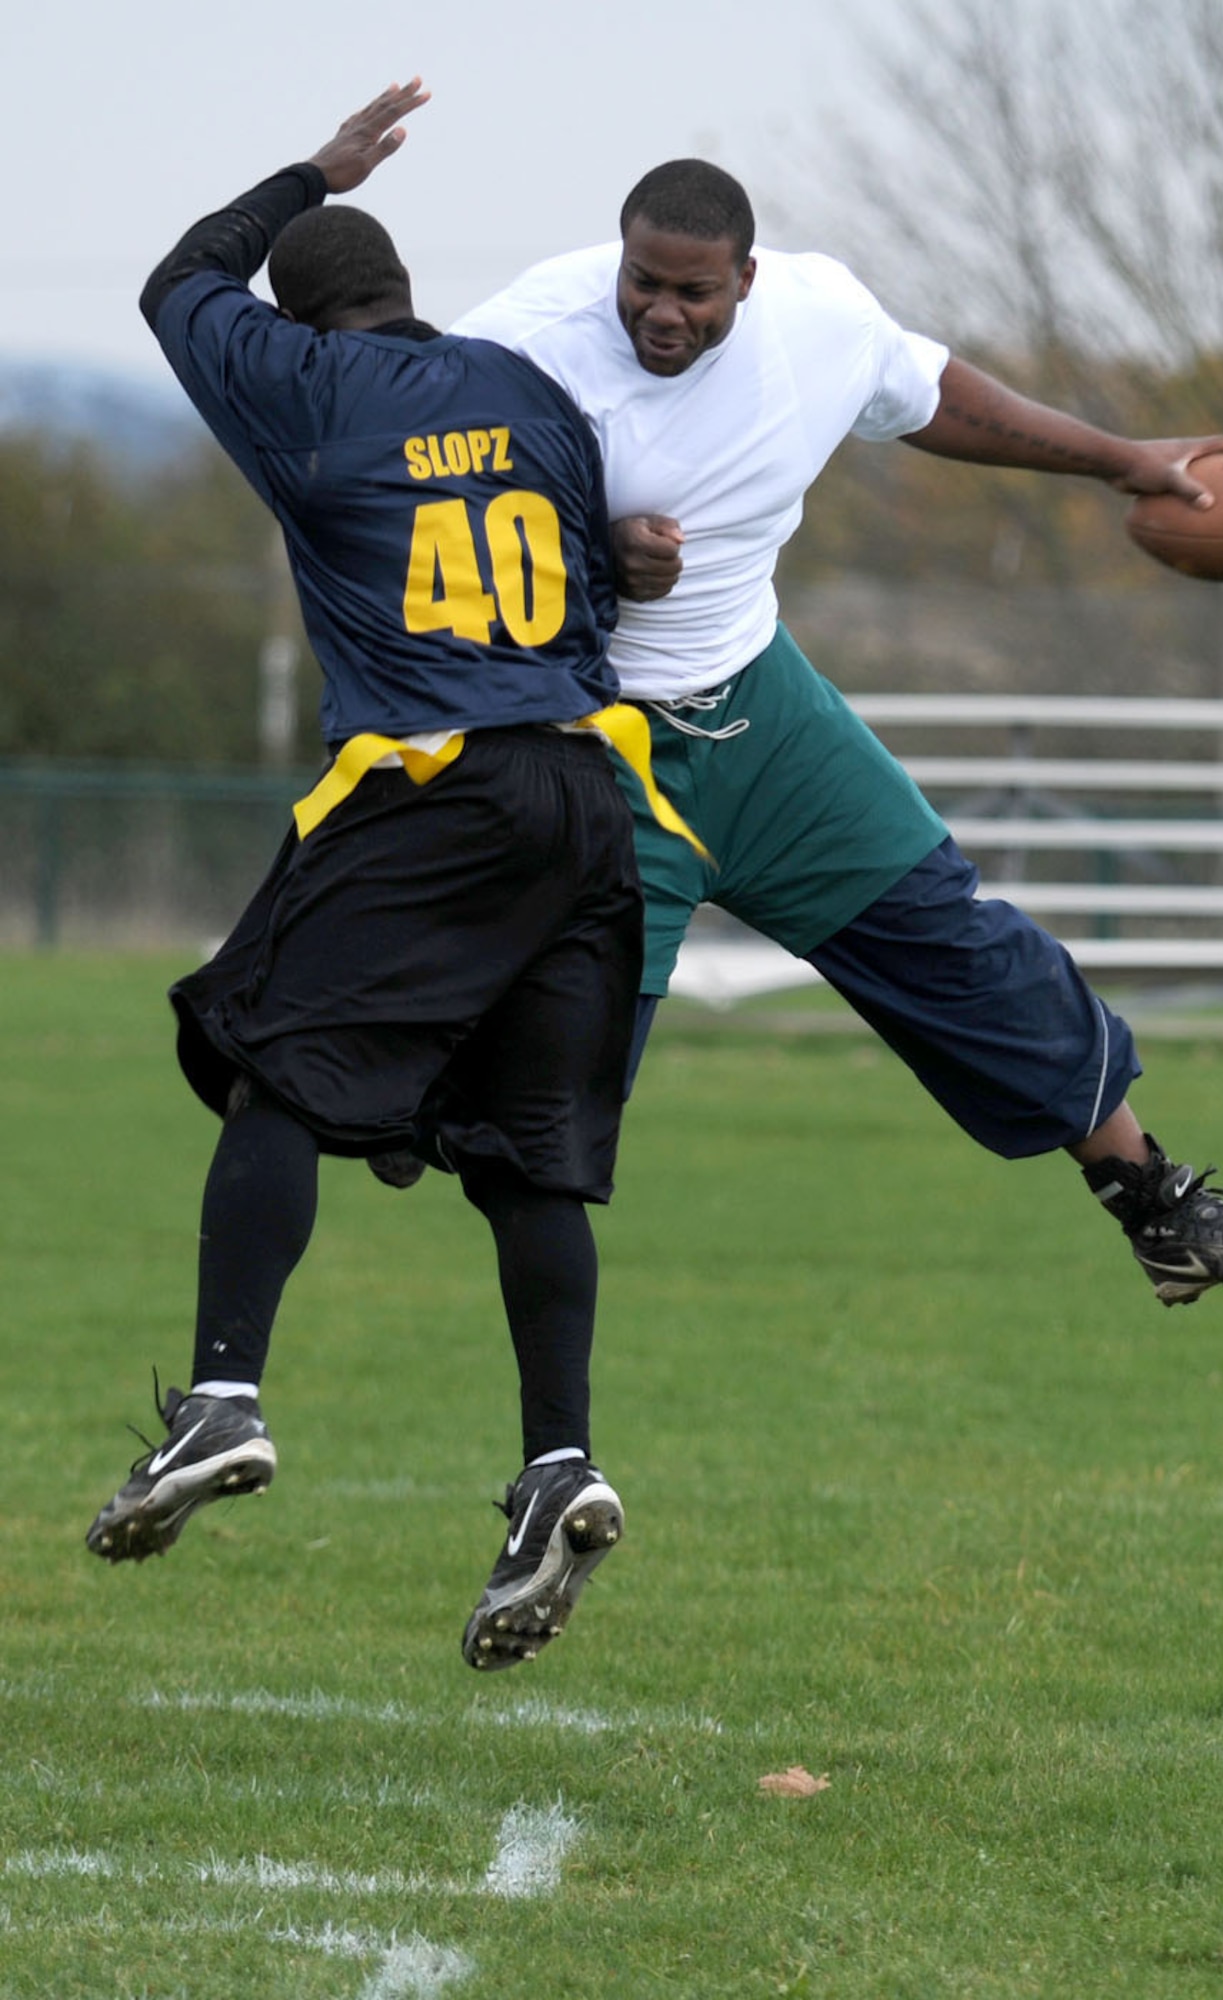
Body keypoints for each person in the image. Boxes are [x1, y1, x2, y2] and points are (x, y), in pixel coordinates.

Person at [443, 158, 1223, 1307]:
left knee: (955, 941)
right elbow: (415, 525)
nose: (662, 311)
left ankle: (1155, 1202)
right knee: (559, 1089)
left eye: (694, 292)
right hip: (588, 748)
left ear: (746, 280)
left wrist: (1121, 460)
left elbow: (935, 393)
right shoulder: (515, 346)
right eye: (642, 282)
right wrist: (590, 556)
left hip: (759, 711)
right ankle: (553, 1446)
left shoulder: (819, 317)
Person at [85, 82, 686, 1674]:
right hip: (585, 795)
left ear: (303, 308)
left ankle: (222, 1397)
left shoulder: (295, 378)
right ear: (408, 293)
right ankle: (558, 1457)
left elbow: (173, 285)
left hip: (435, 786)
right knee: (529, 1163)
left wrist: (305, 173)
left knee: (270, 1055)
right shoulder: (529, 387)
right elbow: (598, 587)